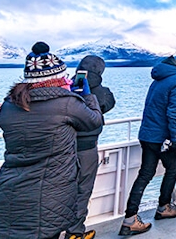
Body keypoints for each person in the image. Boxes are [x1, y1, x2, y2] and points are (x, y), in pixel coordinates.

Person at [0, 42, 103, 239]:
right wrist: (88, 96)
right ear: (57, 78)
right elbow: (94, 121)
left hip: (9, 188)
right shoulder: (67, 103)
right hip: (51, 193)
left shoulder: (9, 105)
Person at [119, 49, 176, 236]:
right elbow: (174, 112)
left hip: (147, 134)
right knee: (174, 167)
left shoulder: (160, 77)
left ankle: (129, 219)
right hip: (162, 137)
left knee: (145, 174)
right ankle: (164, 207)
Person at [67, 55, 117, 239]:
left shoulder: (65, 87)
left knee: (61, 189)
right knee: (83, 189)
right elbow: (108, 103)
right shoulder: (101, 93)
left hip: (63, 147)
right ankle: (75, 233)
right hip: (87, 148)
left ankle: (59, 230)